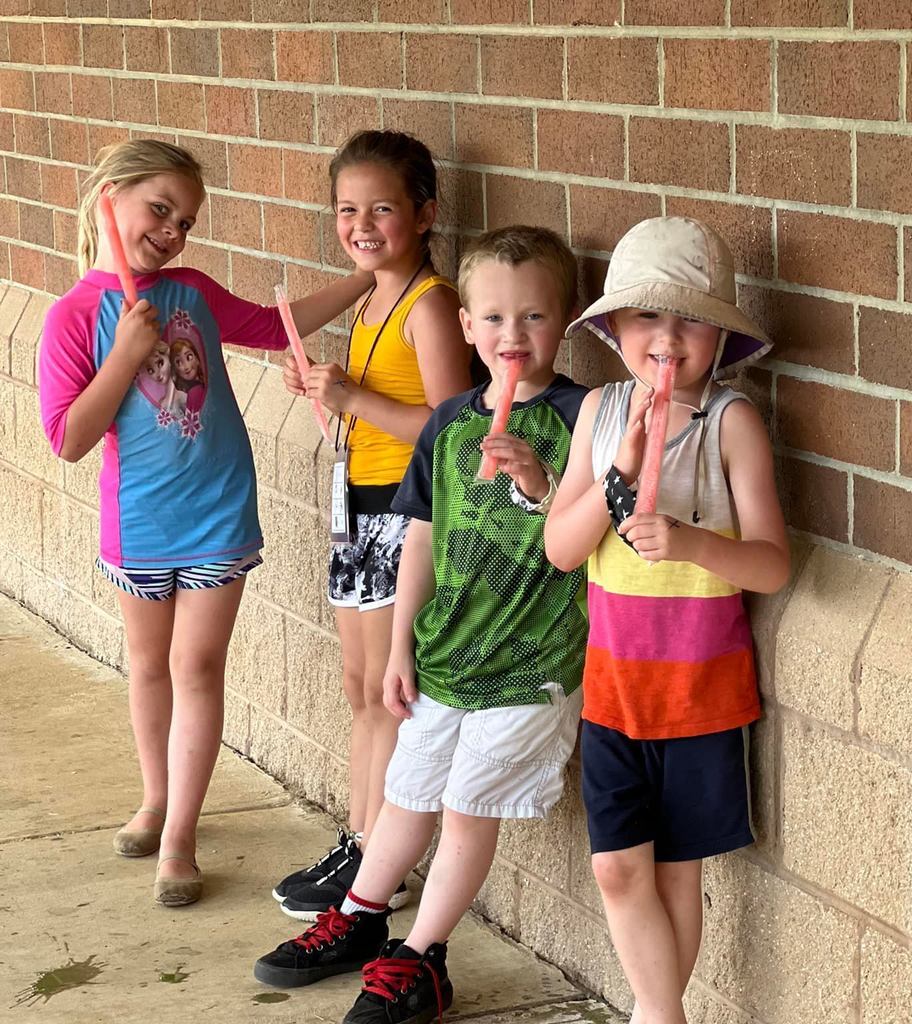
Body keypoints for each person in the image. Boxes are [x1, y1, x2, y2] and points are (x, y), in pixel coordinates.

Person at [253, 226, 589, 1023]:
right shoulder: (448, 422)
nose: (514, 338)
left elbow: (582, 540)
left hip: (530, 663)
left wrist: (540, 483)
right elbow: (422, 541)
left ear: (566, 321)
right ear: (467, 326)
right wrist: (399, 647)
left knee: (469, 804)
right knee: (408, 793)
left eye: (534, 319)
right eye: (496, 320)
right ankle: (363, 918)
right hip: (444, 653)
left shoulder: (583, 417)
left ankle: (422, 958)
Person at [38, 139, 373, 907]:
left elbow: (270, 324)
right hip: (140, 525)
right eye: (160, 209)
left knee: (196, 668)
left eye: (185, 220)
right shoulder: (75, 316)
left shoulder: (189, 291)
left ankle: (182, 835)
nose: (173, 231)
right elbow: (69, 439)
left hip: (218, 511)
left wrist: (365, 281)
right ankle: (155, 799)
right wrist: (124, 356)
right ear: (109, 198)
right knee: (149, 667)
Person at [544, 217, 790, 1024]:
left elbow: (773, 564)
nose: (667, 337)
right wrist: (618, 473)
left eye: (689, 318)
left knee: (678, 873)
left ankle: (656, 1015)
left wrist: (689, 540)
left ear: (719, 334)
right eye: (647, 316)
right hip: (614, 691)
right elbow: (560, 549)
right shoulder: (602, 414)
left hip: (700, 694)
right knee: (619, 871)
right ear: (614, 330)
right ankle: (666, 1014)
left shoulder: (731, 422)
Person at [271, 130, 473, 921]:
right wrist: (326, 387)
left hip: (403, 506)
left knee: (388, 693)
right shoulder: (371, 295)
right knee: (359, 685)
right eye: (346, 209)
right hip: (355, 497)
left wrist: (354, 399)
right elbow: (308, 338)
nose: (361, 223)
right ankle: (359, 841)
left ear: (424, 213)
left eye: (382, 208)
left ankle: (375, 869)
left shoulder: (432, 303)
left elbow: (452, 426)